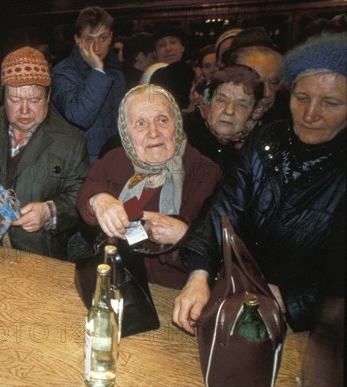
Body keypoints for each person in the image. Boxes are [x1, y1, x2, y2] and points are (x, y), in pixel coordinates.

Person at [173, 35, 347, 335]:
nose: (310, 114)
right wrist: (199, 273)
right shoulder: (268, 140)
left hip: (314, 331)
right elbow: (223, 210)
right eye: (302, 97)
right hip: (243, 306)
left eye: (330, 102)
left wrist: (291, 299)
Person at [0, 46, 89, 259]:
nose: (24, 110)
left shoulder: (71, 142)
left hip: (38, 258)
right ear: (3, 95)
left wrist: (49, 211)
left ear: (48, 96)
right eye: (14, 99)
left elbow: (81, 198)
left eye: (34, 100)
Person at [76, 84, 222, 289]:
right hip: (114, 277)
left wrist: (184, 236)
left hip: (172, 288)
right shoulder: (116, 158)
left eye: (162, 120)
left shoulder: (204, 171)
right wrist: (99, 200)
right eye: (140, 123)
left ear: (177, 123)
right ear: (126, 132)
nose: (153, 132)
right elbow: (89, 188)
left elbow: (219, 248)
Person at [50, 6, 126, 164]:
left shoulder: (116, 73)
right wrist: (97, 69)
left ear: (111, 37)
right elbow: (80, 116)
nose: (96, 47)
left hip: (115, 161)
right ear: (77, 40)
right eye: (89, 39)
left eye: (103, 38)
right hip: (79, 167)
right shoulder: (61, 73)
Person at [184, 64, 264, 172]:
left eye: (241, 105)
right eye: (221, 100)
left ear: (255, 111)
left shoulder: (259, 150)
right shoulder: (181, 135)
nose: (229, 111)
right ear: (208, 100)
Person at [223, 27, 289, 123]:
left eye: (273, 83)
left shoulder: (286, 124)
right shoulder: (206, 124)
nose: (267, 94)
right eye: (256, 83)